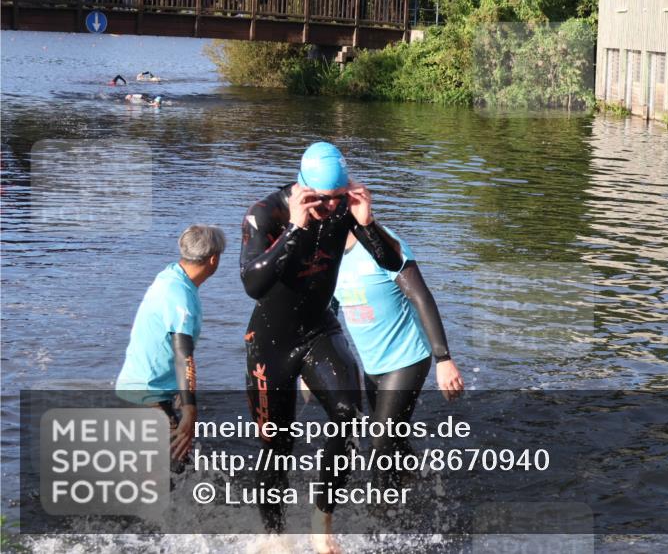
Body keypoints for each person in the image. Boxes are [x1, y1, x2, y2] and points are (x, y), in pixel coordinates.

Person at [240, 142, 403, 548]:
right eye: (323, 200)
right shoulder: (266, 214)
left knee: (349, 412)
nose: (332, 208)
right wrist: (295, 228)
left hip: (317, 330)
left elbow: (393, 261)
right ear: (303, 189)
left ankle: (321, 518)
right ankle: (276, 538)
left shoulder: (346, 209)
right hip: (271, 343)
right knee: (277, 446)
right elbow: (252, 283)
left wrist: (368, 223)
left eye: (338, 198)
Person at [332, 225, 464, 489]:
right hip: (372, 363)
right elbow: (328, 309)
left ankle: (382, 516)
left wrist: (444, 360)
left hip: (408, 356)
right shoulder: (327, 254)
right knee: (394, 437)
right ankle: (419, 480)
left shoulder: (383, 245)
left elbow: (421, 296)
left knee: (381, 441)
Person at [115, 225, 225, 467]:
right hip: (146, 392)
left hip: (142, 388)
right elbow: (182, 354)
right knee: (174, 466)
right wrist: (189, 410)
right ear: (214, 259)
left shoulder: (171, 275)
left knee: (167, 466)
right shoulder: (180, 295)